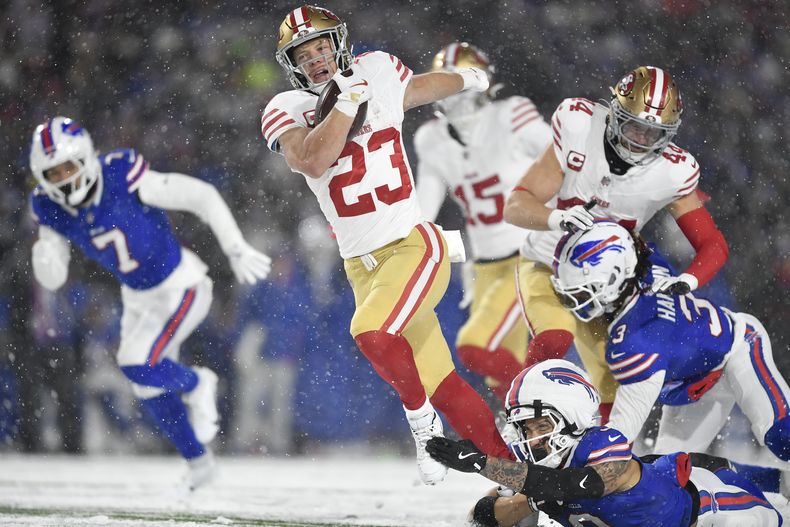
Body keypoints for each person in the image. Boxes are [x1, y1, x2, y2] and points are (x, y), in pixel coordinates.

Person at [261, 5, 512, 485]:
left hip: (415, 246)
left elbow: (415, 89)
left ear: (338, 43)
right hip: (363, 265)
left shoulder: (375, 69)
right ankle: (518, 477)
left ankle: (422, 430)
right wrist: (345, 104)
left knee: (371, 333)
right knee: (444, 384)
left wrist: (469, 79)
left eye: (320, 47)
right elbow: (313, 160)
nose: (315, 59)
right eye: (303, 53)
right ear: (290, 62)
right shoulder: (285, 108)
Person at [28, 117, 271, 489]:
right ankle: (200, 464)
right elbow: (54, 276)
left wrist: (234, 245)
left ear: (87, 160)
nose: (63, 178)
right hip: (139, 298)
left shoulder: (121, 174)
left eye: (68, 167)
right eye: (53, 172)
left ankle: (196, 383)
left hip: (181, 286)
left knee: (137, 363)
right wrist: (46, 257)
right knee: (147, 384)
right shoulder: (50, 207)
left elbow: (200, 196)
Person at [503, 66, 729, 422]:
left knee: (614, 380)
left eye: (654, 132)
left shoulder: (674, 171)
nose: (640, 139)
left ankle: (600, 467)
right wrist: (554, 218)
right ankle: (520, 431)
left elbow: (713, 244)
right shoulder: (580, 126)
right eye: (634, 125)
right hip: (548, 264)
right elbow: (516, 205)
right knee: (553, 340)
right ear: (613, 113)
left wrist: (690, 280)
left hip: (608, 288)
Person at [426, 359, 782, 526]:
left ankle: (779, 481)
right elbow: (482, 517)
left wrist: (484, 465)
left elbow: (577, 485)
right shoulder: (540, 473)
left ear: (572, 415)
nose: (530, 439)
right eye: (524, 428)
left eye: (538, 425)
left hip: (721, 513)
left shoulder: (602, 443)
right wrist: (515, 502)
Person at [550, 221, 790, 462]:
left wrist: (572, 465)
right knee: (669, 476)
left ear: (613, 279)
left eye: (580, 292)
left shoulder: (635, 341)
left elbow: (620, 436)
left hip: (737, 349)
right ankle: (771, 485)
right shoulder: (645, 261)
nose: (573, 300)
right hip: (692, 384)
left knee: (782, 435)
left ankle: (771, 483)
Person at [414, 42, 551, 402]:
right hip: (484, 265)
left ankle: (542, 400)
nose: (456, 95)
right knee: (502, 371)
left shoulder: (511, 114)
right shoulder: (432, 139)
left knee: (475, 347)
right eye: (448, 84)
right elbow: (421, 210)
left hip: (527, 255)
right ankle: (526, 430)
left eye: (461, 82)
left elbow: (564, 159)